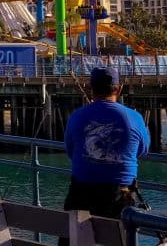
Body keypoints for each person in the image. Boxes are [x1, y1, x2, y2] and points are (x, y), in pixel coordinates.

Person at [62, 67, 149, 232]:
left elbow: (71, 151)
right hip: (120, 196)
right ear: (119, 88)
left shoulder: (76, 116)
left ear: (90, 88)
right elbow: (142, 151)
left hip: (80, 194)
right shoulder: (135, 118)